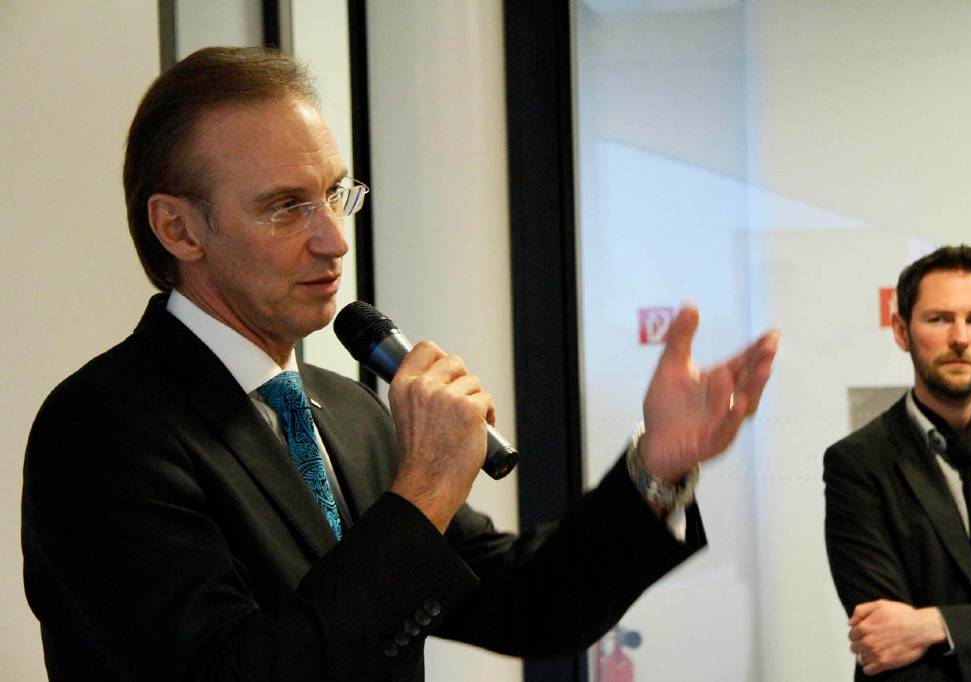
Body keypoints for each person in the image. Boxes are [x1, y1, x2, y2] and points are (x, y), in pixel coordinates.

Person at [22, 47, 777, 682]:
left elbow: (529, 605)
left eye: (334, 195)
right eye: (285, 207)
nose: (334, 239)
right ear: (179, 229)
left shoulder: (349, 411)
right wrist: (424, 490)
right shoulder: (103, 428)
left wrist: (657, 471)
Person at [824, 245, 971, 681]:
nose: (960, 338)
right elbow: (885, 644)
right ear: (901, 331)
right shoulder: (857, 464)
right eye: (939, 319)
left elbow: (912, 637)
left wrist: (936, 625)